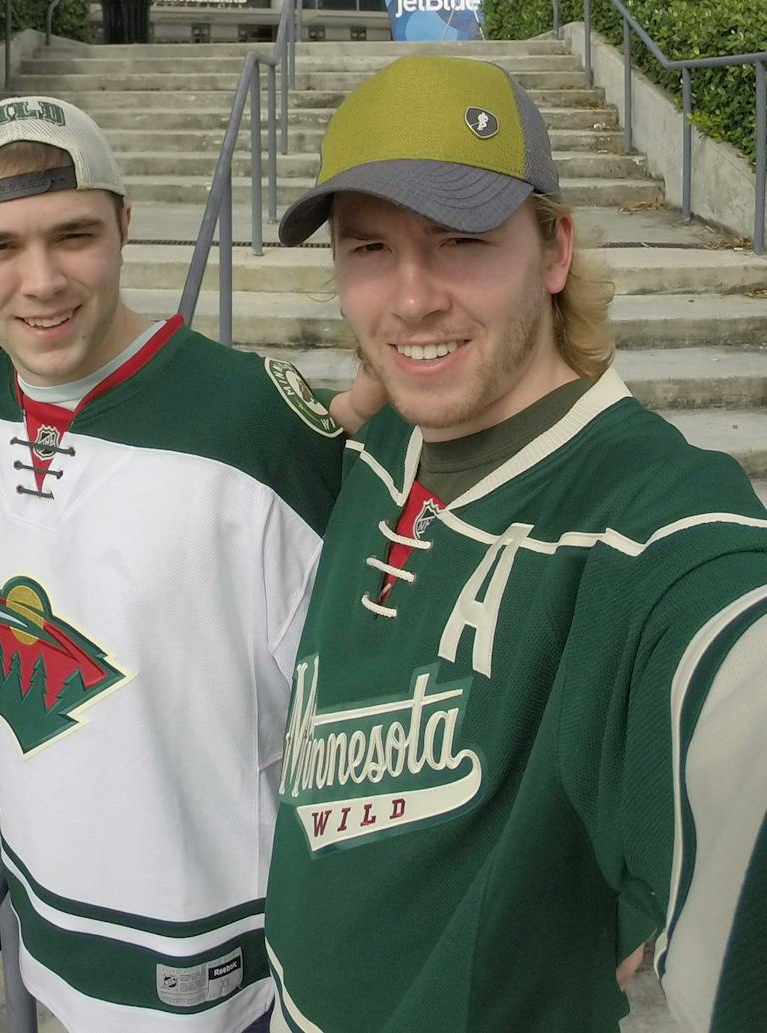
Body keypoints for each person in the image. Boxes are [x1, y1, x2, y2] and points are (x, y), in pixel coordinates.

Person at [261, 55, 767, 1033]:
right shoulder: (383, 443)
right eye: (367, 249)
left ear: (552, 250)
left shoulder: (645, 524)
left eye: (458, 240)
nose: (409, 301)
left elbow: (727, 674)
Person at [0, 96, 347, 1032]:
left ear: (125, 223)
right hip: (49, 914)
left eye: (73, 234)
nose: (41, 281)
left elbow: (356, 702)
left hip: (221, 949)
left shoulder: (250, 424)